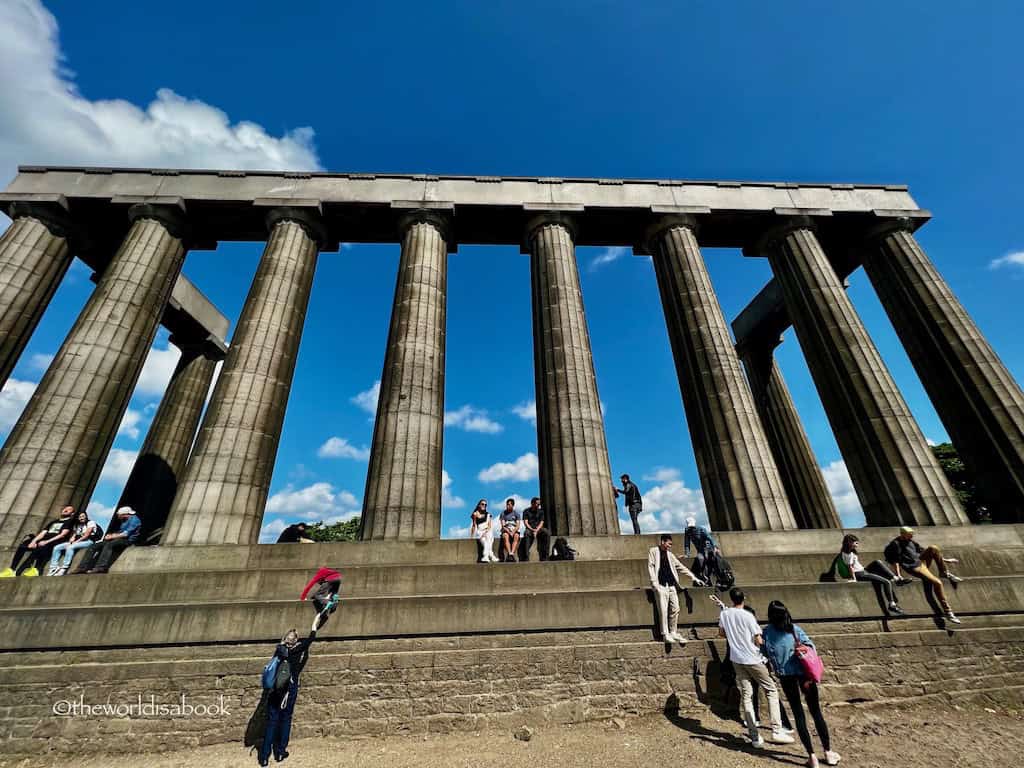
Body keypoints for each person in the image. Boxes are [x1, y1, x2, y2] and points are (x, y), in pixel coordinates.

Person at [763, 601, 841, 767]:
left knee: (798, 714)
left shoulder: (767, 633)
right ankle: (828, 752)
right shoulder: (794, 629)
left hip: (786, 677)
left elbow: (764, 653)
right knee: (816, 712)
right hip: (805, 676)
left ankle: (811, 757)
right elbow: (810, 647)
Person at [714, 588, 794, 748]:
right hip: (752, 658)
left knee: (747, 695)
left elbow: (721, 634)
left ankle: (755, 736)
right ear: (743, 598)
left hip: (736, 659)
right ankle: (777, 730)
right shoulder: (748, 616)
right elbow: (758, 640)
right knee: (771, 689)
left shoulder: (725, 614)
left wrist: (734, 635)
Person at [258, 615, 320, 767]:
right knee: (286, 719)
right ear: (296, 641)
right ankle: (280, 752)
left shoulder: (279, 650)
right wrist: (315, 622)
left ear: (285, 639)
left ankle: (264, 757)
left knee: (272, 722)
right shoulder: (299, 650)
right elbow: (311, 638)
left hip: (275, 690)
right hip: (290, 688)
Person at [884, 526, 963, 624]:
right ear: (903, 535)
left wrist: (946, 560)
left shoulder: (911, 542)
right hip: (914, 567)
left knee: (933, 548)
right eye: (909, 535)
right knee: (937, 583)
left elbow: (923, 551)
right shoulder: (895, 544)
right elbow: (895, 561)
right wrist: (898, 576)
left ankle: (944, 573)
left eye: (912, 535)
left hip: (921, 562)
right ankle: (948, 612)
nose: (911, 536)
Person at [648, 534, 705, 644]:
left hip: (671, 585)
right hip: (660, 585)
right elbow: (650, 566)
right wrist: (654, 584)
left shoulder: (670, 555)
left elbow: (681, 567)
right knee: (663, 610)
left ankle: (673, 631)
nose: (670, 546)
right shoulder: (654, 551)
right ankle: (665, 634)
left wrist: (694, 578)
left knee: (675, 608)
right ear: (663, 542)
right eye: (669, 544)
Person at [1, 505, 76, 578]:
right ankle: (12, 569)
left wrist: (46, 541)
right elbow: (43, 533)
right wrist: (33, 541)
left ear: (72, 513)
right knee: (23, 546)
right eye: (65, 508)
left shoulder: (70, 522)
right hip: (43, 541)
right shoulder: (53, 522)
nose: (65, 510)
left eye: (69, 509)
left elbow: (62, 535)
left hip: (54, 542)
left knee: (42, 547)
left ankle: (34, 569)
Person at [838, 534, 905, 615]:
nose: (857, 544)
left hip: (863, 570)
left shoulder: (849, 552)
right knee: (886, 582)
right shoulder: (848, 553)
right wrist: (854, 578)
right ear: (849, 542)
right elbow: (850, 568)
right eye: (856, 543)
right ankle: (892, 605)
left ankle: (896, 578)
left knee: (877, 562)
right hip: (859, 574)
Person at [73, 506, 140, 574]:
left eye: (119, 515)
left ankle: (100, 567)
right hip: (118, 538)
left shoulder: (135, 520)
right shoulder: (124, 520)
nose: (118, 516)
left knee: (109, 545)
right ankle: (81, 568)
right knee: (93, 546)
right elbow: (120, 532)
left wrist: (112, 537)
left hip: (128, 540)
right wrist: (111, 535)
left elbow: (126, 534)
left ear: (124, 514)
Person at [48, 510, 101, 575]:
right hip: (78, 541)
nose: (82, 518)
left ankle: (64, 568)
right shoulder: (77, 525)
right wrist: (71, 539)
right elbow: (74, 534)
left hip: (88, 541)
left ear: (86, 516)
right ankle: (53, 568)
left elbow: (86, 535)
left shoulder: (91, 522)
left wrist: (75, 542)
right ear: (77, 518)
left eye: (83, 516)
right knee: (57, 547)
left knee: (70, 547)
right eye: (80, 517)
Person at [684, 517, 720, 584]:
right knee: (700, 559)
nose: (691, 529)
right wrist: (687, 554)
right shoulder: (687, 531)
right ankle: (705, 579)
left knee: (709, 560)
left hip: (708, 548)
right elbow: (687, 543)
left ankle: (714, 578)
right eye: (690, 527)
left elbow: (709, 538)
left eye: (692, 527)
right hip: (700, 550)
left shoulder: (701, 529)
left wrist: (715, 547)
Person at [520, 497, 551, 562]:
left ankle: (545, 556)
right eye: (537, 504)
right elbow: (526, 523)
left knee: (547, 532)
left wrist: (536, 530)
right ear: (532, 503)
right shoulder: (526, 511)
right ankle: (526, 557)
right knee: (527, 533)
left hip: (538, 529)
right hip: (530, 528)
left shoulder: (541, 511)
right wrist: (532, 530)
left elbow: (541, 522)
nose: (538, 506)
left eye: (539, 504)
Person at [499, 498, 521, 562]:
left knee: (516, 536)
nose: (507, 506)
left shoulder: (516, 514)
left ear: (512, 505)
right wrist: (508, 531)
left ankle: (511, 554)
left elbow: (518, 525)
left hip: (514, 529)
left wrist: (513, 532)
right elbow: (503, 525)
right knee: (505, 536)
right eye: (507, 504)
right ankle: (510, 553)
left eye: (509, 504)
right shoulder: (503, 513)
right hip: (506, 529)